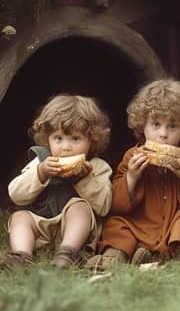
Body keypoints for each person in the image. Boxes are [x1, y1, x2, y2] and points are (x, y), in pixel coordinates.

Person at [85, 79, 180, 271]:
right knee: (116, 225)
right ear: (142, 126)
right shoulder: (132, 155)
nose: (163, 134)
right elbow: (116, 204)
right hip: (138, 223)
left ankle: (157, 256)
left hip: (173, 222)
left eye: (172, 126)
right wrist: (131, 177)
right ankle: (114, 256)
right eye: (156, 125)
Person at [1, 94, 112, 269]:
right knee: (20, 216)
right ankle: (22, 255)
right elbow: (16, 195)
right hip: (42, 226)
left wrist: (83, 180)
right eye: (58, 138)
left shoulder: (97, 166)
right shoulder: (41, 160)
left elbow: (104, 206)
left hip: (75, 230)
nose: (66, 147)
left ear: (92, 140)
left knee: (80, 207)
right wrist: (41, 173)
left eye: (75, 139)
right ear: (48, 138)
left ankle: (68, 253)